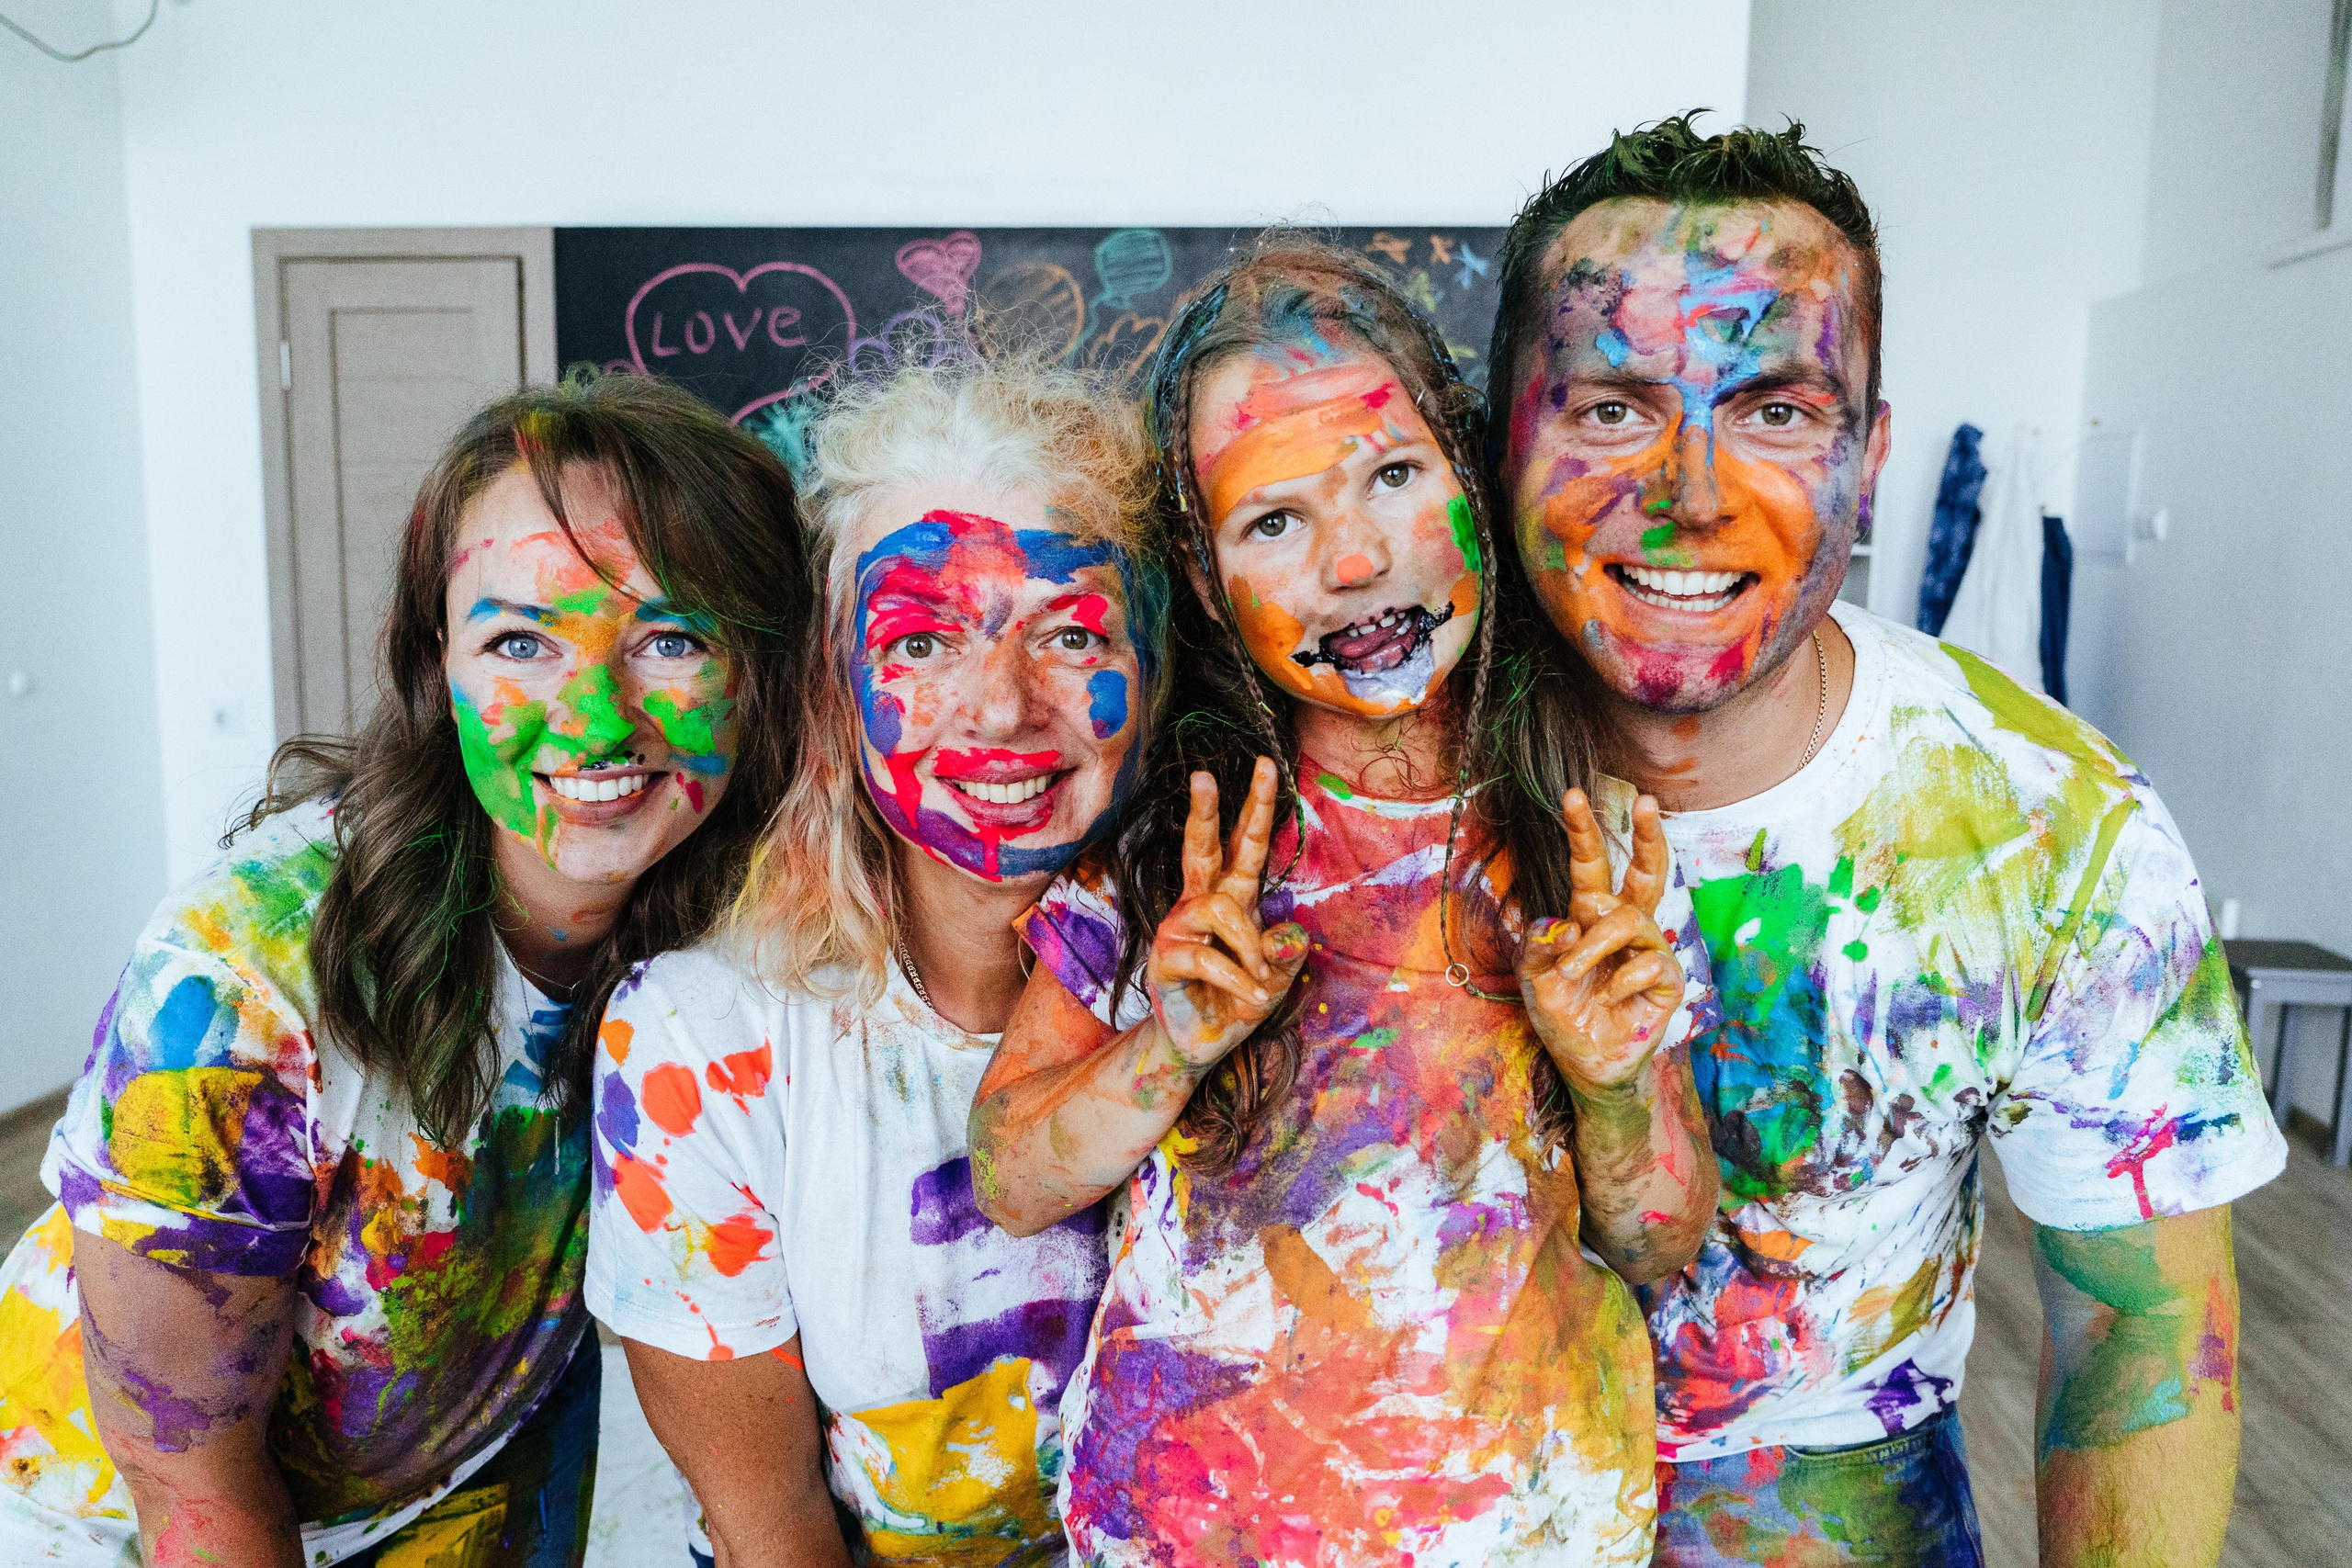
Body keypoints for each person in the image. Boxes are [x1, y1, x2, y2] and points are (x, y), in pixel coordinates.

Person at [1488, 115, 2287, 1567]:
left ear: (1870, 454)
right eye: (1612, 407)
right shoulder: (1376, 779)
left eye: (1779, 411)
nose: (1693, 492)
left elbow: (2142, 1333)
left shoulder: (2049, 829)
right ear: (1503, 440)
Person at [966, 238, 1720, 1568]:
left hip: (1524, 1526)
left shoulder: (1590, 851)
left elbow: (1658, 1240)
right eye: (1276, 521)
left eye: (1392, 476)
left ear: (1473, 491)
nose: (1357, 559)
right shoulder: (1168, 863)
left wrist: (1612, 1082)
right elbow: (1013, 1179)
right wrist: (1175, 1044)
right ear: (1207, 581)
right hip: (1195, 1526)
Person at [0, 373, 809, 1567]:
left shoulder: (732, 926)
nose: (593, 718)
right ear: (441, 663)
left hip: (459, 1468)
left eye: (672, 636)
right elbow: (187, 1479)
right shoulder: (236, 986)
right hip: (115, 1524)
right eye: (520, 641)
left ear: (757, 669)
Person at [585, 360, 1160, 1567]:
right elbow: (770, 1525)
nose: (999, 708)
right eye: (924, 642)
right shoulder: (705, 1043)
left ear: (1150, 672)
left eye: (1068, 633)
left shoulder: (1224, 977)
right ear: (832, 691)